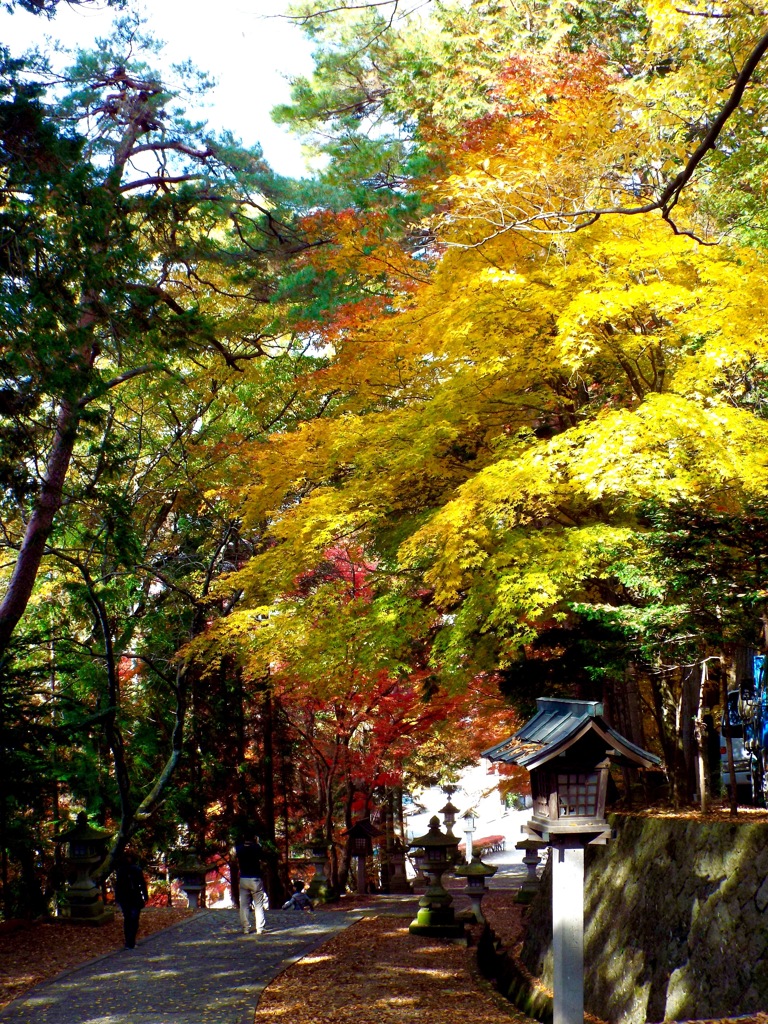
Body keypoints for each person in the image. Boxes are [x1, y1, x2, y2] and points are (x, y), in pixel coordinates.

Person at [114, 850, 149, 949]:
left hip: (132, 897)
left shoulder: (133, 870)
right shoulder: (122, 870)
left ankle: (130, 941)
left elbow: (142, 883)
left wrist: (145, 895)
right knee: (130, 919)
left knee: (132, 918)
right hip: (128, 897)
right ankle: (129, 941)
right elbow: (119, 885)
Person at [235, 831, 266, 935]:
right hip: (255, 878)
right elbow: (264, 859)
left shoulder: (239, 848)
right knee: (258, 904)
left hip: (243, 878)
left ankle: (246, 928)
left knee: (244, 905)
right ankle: (260, 928)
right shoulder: (257, 847)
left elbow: (233, 858)